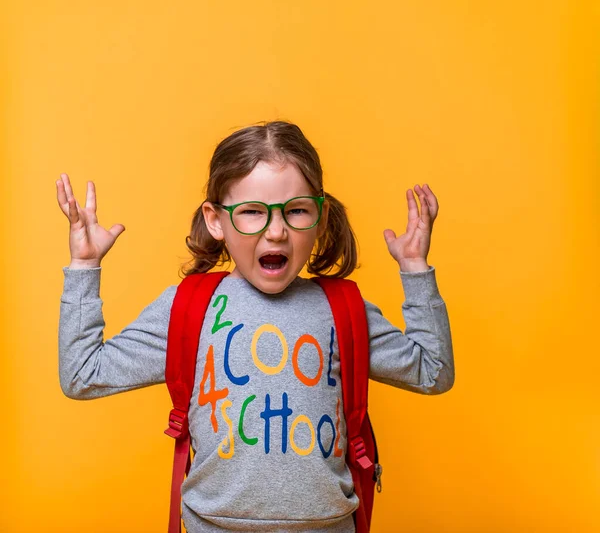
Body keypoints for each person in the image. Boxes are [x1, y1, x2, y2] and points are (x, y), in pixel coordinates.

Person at [56, 120, 455, 533]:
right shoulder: (189, 307)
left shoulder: (342, 310)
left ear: (320, 217)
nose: (277, 232)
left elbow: (434, 372)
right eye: (251, 213)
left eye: (297, 210)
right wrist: (84, 267)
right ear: (215, 221)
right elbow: (83, 375)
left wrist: (415, 270)